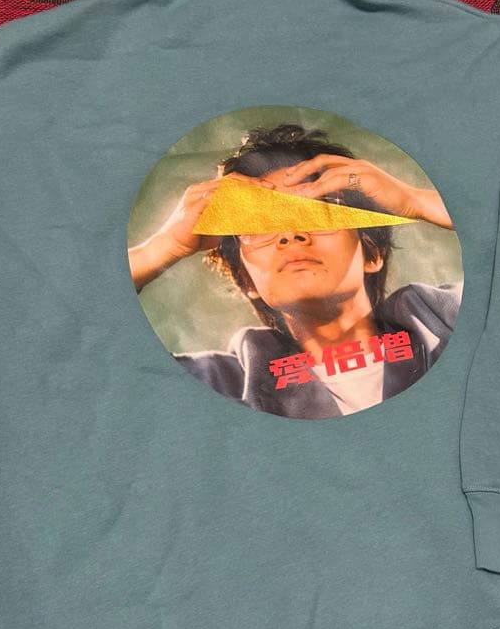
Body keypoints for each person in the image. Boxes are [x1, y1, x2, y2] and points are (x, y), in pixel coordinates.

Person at [128, 124, 462, 418]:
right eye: (262, 225)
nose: (291, 235)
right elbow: (100, 364)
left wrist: (415, 201)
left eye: (318, 214)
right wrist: (162, 248)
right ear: (246, 281)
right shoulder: (217, 384)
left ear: (371, 253)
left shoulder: (444, 321)